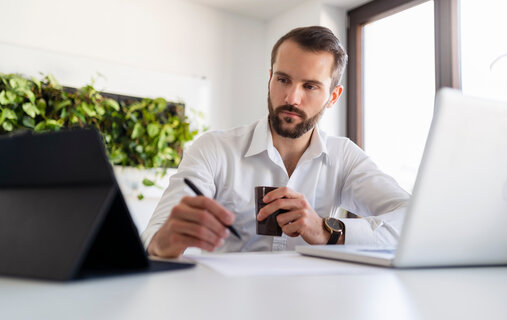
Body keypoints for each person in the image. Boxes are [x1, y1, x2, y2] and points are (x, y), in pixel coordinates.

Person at [142, 26, 409, 258]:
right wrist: (166, 241)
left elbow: (412, 220)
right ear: (270, 78)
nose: (292, 98)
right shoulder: (213, 150)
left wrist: (327, 230)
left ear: (333, 96)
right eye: (283, 79)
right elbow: (151, 242)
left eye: (310, 86)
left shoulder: (344, 157)